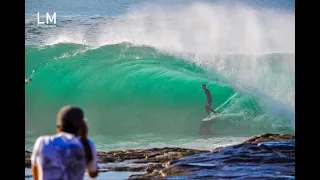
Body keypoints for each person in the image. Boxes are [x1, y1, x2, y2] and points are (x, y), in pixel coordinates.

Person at [31, 105, 99, 180]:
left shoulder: (43, 142)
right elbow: (93, 174)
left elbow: (36, 173)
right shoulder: (86, 144)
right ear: (81, 126)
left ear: (59, 126)